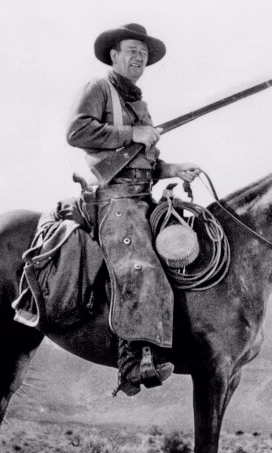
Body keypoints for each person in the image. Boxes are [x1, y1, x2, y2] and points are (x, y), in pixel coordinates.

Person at [67, 23, 201, 396]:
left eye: (143, 53)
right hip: (115, 200)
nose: (139, 57)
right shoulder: (98, 88)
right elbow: (76, 132)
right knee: (142, 265)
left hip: (144, 197)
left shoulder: (139, 103)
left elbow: (143, 162)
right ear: (114, 55)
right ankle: (135, 360)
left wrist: (173, 170)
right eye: (132, 50)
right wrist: (132, 134)